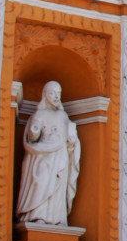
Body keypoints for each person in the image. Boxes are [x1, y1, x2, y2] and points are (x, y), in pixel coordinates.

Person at [16, 81, 81, 226]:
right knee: (41, 180)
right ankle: (37, 214)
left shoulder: (63, 115)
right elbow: (32, 137)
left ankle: (56, 218)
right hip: (42, 155)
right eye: (52, 93)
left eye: (58, 93)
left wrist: (72, 142)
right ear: (45, 95)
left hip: (60, 155)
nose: (56, 96)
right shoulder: (39, 114)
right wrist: (34, 130)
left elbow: (70, 138)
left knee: (58, 185)